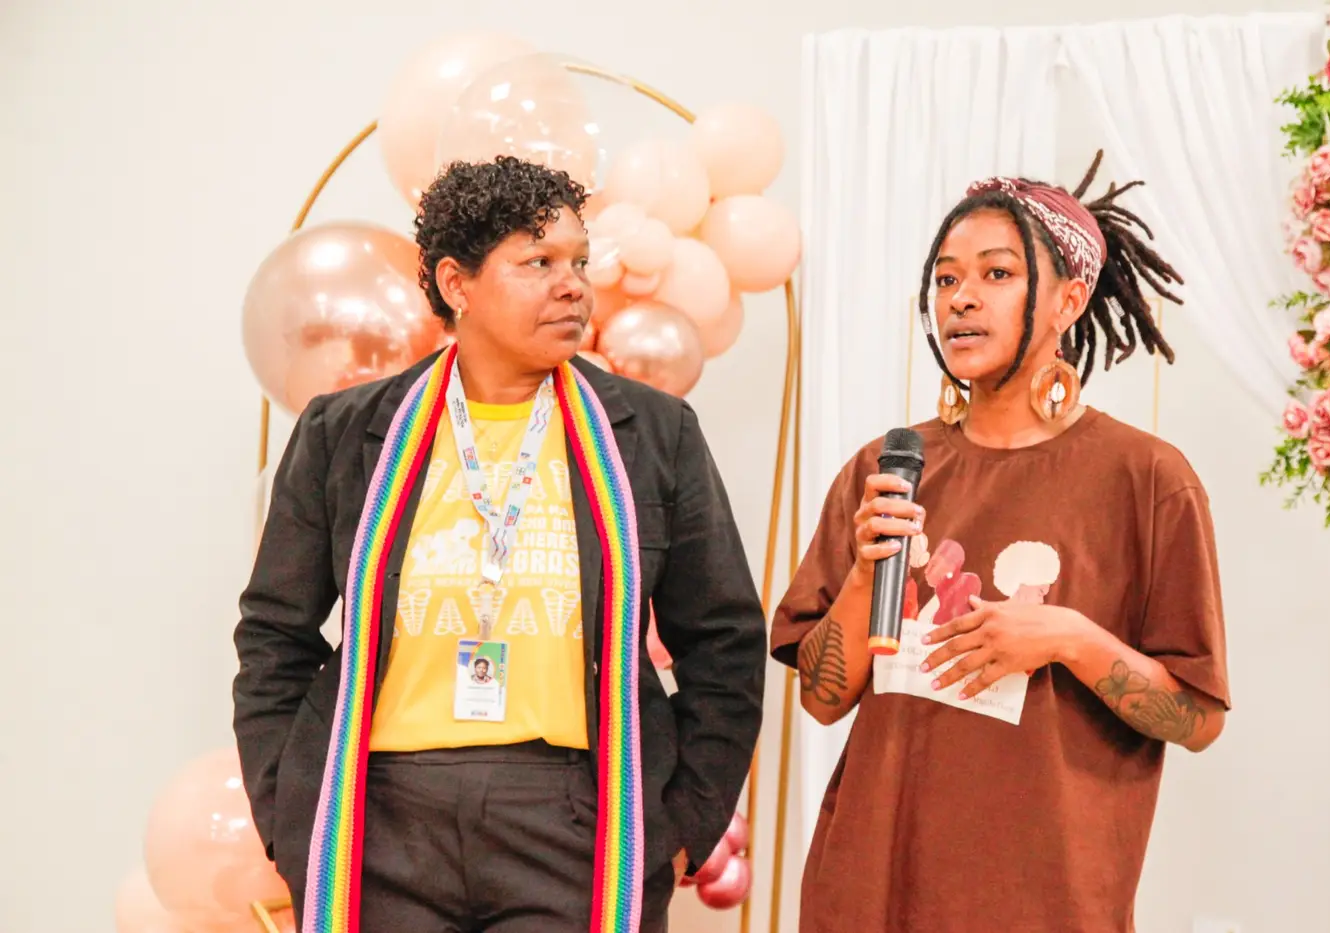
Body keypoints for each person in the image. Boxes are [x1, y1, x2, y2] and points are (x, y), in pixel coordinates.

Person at [233, 156, 767, 933]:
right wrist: (288, 815)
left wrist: (681, 824)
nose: (573, 286)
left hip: (574, 819)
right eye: (538, 263)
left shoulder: (654, 434)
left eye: (579, 262)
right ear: (458, 284)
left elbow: (724, 638)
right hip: (383, 820)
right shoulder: (343, 432)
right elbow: (274, 635)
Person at [770, 153, 1230, 933]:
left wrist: (1069, 638)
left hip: (1043, 903)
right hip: (867, 895)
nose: (962, 298)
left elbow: (1197, 718)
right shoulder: (887, 467)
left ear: (1068, 299)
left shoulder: (1148, 478)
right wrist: (865, 575)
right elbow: (820, 699)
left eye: (997, 273)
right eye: (946, 279)